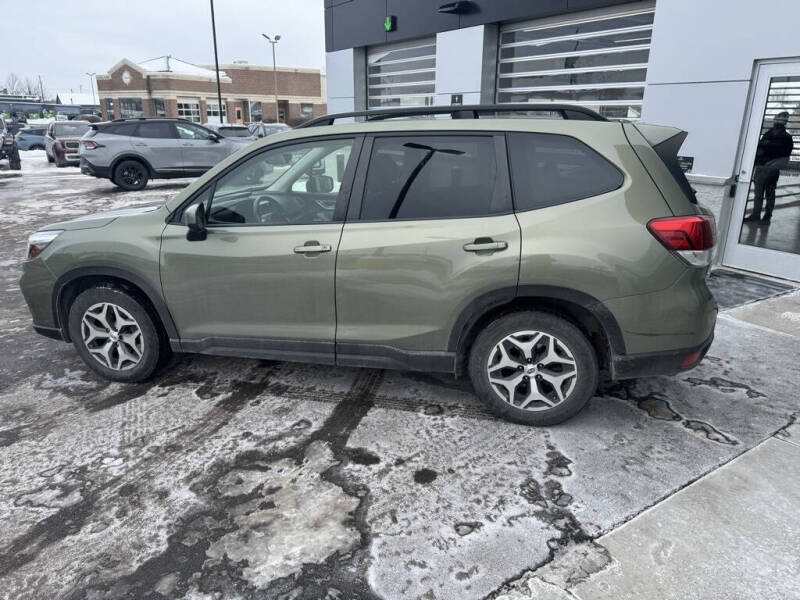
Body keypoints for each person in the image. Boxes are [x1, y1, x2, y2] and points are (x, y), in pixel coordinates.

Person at [743, 111, 794, 226]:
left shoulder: (786, 137)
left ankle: (767, 217)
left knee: (770, 193)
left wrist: (768, 147)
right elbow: (759, 148)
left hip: (772, 169)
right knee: (758, 193)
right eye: (777, 119)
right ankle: (755, 215)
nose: (777, 121)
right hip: (761, 167)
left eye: (781, 120)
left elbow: (784, 153)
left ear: (784, 122)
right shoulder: (768, 133)